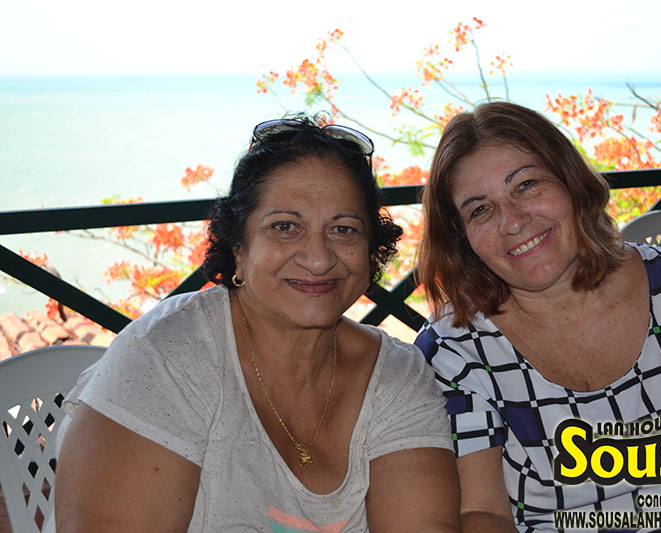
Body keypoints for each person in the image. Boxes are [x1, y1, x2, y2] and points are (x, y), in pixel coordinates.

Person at [50, 116, 460, 532]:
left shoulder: (397, 376)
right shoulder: (166, 356)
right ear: (239, 249)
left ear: (371, 251)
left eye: (343, 229)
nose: (318, 258)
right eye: (285, 227)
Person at [414, 101, 661, 531]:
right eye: (480, 210)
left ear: (571, 182)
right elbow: (482, 512)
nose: (513, 221)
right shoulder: (455, 352)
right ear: (462, 239)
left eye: (527, 185)